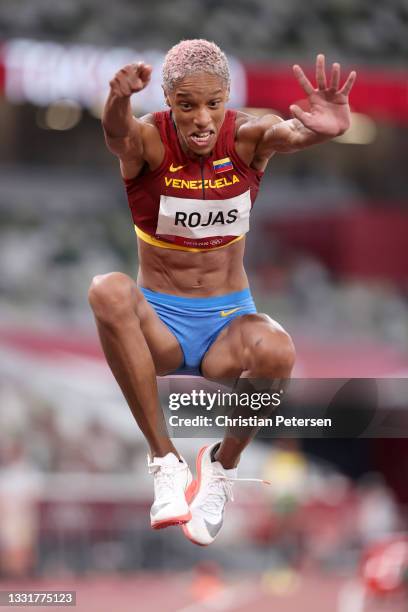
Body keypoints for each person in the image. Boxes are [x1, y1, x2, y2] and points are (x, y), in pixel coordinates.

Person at [88, 39, 356, 546]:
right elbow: (116, 133)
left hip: (226, 329)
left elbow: (290, 131)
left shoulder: (249, 135)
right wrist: (118, 99)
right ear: (168, 103)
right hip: (161, 329)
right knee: (107, 290)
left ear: (228, 97)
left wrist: (326, 130)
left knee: (279, 348)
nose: (203, 120)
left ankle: (220, 468)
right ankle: (164, 461)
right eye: (187, 106)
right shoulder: (148, 141)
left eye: (214, 103)